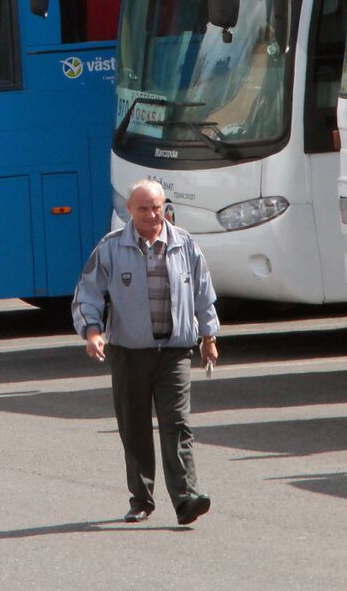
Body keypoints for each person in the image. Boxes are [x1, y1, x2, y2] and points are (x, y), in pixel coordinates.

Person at [72, 178, 220, 525]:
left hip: (174, 351)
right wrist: (92, 332)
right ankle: (141, 499)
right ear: (129, 210)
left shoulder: (184, 244)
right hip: (129, 352)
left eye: (157, 207)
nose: (153, 215)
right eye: (144, 208)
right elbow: (88, 293)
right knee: (135, 427)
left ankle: (187, 499)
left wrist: (209, 337)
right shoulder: (110, 248)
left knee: (177, 425)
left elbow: (203, 292)